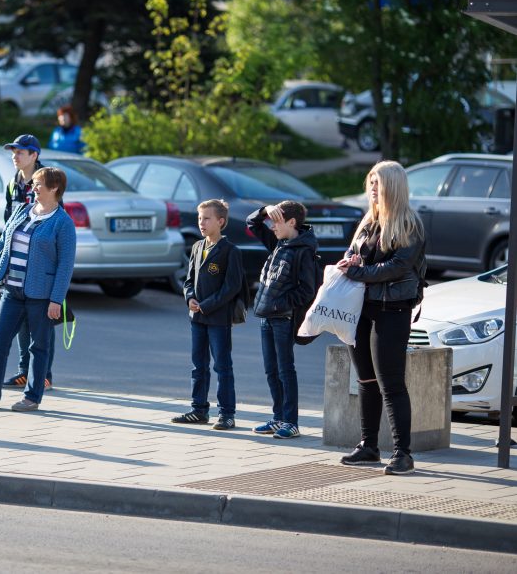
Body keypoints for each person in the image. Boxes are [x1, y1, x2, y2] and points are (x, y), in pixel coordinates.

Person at [337, 161, 425, 475]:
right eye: (370, 182)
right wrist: (349, 262)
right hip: (361, 309)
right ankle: (369, 446)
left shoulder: (409, 223)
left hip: (393, 310)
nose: (372, 188)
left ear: (393, 187)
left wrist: (358, 272)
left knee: (391, 384)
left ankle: (403, 453)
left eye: (378, 183)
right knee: (366, 381)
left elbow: (397, 268)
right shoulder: (368, 221)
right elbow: (353, 256)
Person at [0, 167, 76, 412]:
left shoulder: (63, 223)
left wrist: (56, 300)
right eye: (34, 184)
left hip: (41, 296)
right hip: (12, 291)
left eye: (39, 184)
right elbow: (1, 245)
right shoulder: (22, 210)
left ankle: (32, 397)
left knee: (38, 347)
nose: (33, 188)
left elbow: (65, 266)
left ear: (54, 189)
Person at [246, 201, 319, 440]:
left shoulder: (303, 250)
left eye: (277, 221)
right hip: (267, 317)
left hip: (283, 319)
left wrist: (280, 303)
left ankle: (291, 422)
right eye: (272, 221)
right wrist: (266, 210)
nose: (272, 226)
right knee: (271, 371)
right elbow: (251, 223)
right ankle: (278, 418)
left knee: (285, 370)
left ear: (292, 223)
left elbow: (308, 290)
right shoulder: (279, 243)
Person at [172, 199, 243, 430]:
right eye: (200, 218)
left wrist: (208, 304)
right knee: (198, 365)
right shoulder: (196, 247)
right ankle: (199, 409)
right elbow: (189, 280)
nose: (201, 223)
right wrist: (190, 297)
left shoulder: (230, 251)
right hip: (198, 317)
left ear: (220, 221)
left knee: (222, 366)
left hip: (218, 318)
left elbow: (232, 287)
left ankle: (227, 414)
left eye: (207, 218)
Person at [0, 134, 57, 391]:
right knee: (21, 318)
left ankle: (44, 374)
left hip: (40, 262)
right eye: (13, 152)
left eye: (21, 152)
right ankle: (24, 370)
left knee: (41, 319)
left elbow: (55, 221)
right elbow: (7, 223)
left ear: (34, 155)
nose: (15, 156)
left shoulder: (47, 182)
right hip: (17, 261)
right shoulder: (13, 183)